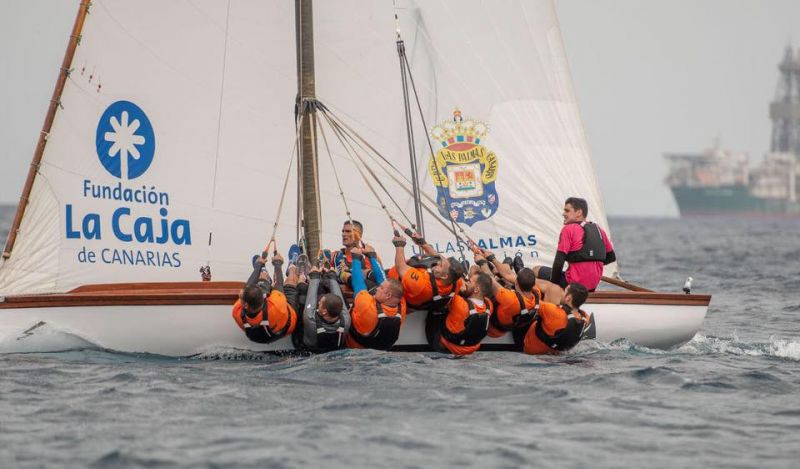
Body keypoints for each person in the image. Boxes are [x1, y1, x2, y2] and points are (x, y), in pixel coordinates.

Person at [533, 197, 615, 292]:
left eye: (567, 211)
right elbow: (611, 257)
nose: (563, 214)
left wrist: (553, 287)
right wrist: (590, 264)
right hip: (592, 286)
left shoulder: (568, 229)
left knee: (536, 270)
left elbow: (558, 263)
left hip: (572, 285)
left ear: (579, 212)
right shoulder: (599, 230)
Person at [345, 245, 406, 350]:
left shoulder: (367, 306)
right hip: (379, 350)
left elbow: (358, 283)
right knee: (372, 286)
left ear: (388, 295)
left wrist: (356, 259)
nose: (378, 288)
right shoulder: (402, 306)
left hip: (352, 348)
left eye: (381, 288)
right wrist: (372, 256)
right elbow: (383, 281)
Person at [389, 230, 465, 311]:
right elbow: (437, 256)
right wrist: (422, 243)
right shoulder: (456, 281)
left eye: (441, 265)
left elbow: (400, 267)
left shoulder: (421, 284)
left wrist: (399, 245)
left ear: (444, 276)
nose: (438, 262)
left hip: (394, 283)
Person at [231, 253, 299, 344]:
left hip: (267, 330)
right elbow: (279, 284)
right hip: (289, 322)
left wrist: (258, 267)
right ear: (265, 297)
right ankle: (292, 266)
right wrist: (278, 263)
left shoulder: (236, 311)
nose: (239, 293)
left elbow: (248, 286)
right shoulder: (276, 305)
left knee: (261, 281)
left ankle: (264, 275)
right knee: (290, 281)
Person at [473, 251, 542, 339]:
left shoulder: (510, 298)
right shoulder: (537, 293)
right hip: (506, 324)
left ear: (516, 283)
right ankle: (497, 272)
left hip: (491, 328)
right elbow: (508, 274)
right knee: (504, 278)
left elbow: (490, 280)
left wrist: (482, 262)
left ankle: (496, 273)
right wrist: (492, 259)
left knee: (476, 271)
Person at [514, 282, 593, 355]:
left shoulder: (551, 310)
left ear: (568, 298)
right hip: (553, 354)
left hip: (530, 350)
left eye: (564, 290)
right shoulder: (585, 318)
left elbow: (528, 301)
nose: (561, 292)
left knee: (523, 316)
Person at [428, 271, 494, 356]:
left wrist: (460, 285)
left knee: (437, 309)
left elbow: (449, 290)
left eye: (469, 281)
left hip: (448, 347)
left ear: (476, 289)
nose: (466, 282)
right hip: (471, 349)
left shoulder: (459, 302)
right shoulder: (489, 305)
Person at [290, 265, 351, 353]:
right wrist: (332, 277)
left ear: (325, 311)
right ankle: (325, 278)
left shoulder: (310, 319)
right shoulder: (346, 320)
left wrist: (314, 276)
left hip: (307, 348)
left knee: (303, 292)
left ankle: (302, 280)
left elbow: (311, 298)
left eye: (320, 303)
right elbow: (338, 296)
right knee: (324, 292)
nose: (318, 303)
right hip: (333, 350)